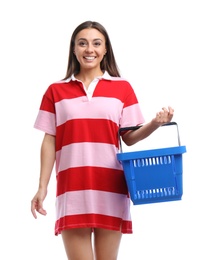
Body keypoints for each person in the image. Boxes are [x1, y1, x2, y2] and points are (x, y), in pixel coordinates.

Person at [31, 20, 174, 260]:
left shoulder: (122, 88)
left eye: (97, 43)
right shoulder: (55, 90)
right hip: (72, 189)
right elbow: (49, 140)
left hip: (111, 188)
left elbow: (129, 138)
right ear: (74, 49)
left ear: (105, 49)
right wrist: (42, 187)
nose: (90, 49)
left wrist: (155, 123)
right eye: (83, 43)